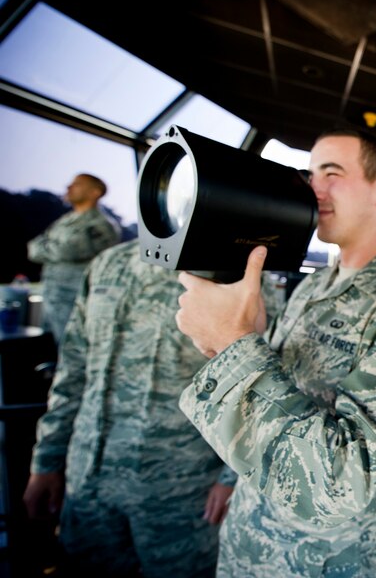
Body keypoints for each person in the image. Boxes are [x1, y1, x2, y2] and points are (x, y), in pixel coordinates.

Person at [175, 128, 376, 576]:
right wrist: (232, 476)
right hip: (250, 537)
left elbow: (346, 477)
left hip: (326, 556)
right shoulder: (313, 283)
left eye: (332, 173)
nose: (314, 188)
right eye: (310, 175)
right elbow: (274, 374)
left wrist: (231, 347)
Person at [23, 239, 244, 577]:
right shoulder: (107, 263)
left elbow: (247, 377)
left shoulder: (227, 267)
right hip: (90, 481)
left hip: (179, 491)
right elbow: (73, 369)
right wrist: (46, 461)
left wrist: (231, 478)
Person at [27, 173, 121, 343]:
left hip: (76, 300)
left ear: (95, 192)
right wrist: (49, 248)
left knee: (73, 349)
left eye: (77, 184)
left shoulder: (102, 224)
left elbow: (67, 251)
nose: (69, 187)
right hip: (51, 295)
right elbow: (33, 248)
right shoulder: (65, 220)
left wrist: (47, 248)